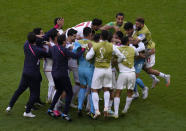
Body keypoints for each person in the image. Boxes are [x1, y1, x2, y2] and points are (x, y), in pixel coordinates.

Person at [6, 32, 49, 117]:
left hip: (25, 72)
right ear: (35, 40)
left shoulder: (26, 45)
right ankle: (27, 111)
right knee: (34, 93)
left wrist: (35, 36)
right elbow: (48, 54)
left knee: (19, 90)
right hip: (34, 74)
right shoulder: (38, 50)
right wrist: (49, 44)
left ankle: (9, 106)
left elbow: (29, 37)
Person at [86, 30, 125, 119]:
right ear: (108, 37)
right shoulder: (112, 46)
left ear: (100, 37)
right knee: (106, 89)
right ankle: (106, 108)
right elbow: (121, 57)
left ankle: (96, 111)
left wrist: (92, 59)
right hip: (108, 70)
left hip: (98, 70)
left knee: (94, 89)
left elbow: (88, 57)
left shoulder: (96, 46)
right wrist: (116, 62)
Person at [47, 34, 85, 121]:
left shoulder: (54, 48)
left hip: (54, 73)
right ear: (64, 42)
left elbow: (51, 54)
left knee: (59, 90)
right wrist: (83, 49)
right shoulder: (64, 50)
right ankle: (65, 114)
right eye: (66, 40)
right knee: (69, 92)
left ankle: (50, 109)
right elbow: (76, 56)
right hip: (62, 74)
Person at [134, 17, 170, 88]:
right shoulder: (140, 27)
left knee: (149, 70)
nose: (136, 25)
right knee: (143, 67)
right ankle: (155, 79)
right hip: (146, 49)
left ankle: (166, 76)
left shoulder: (143, 32)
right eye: (136, 24)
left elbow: (136, 41)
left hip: (149, 51)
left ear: (142, 24)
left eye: (137, 24)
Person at [113, 36, 139, 118]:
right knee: (130, 92)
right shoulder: (133, 49)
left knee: (118, 92)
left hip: (122, 74)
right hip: (132, 73)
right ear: (128, 42)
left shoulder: (117, 48)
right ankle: (125, 109)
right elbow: (137, 55)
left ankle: (116, 113)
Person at [72, 27, 95, 117]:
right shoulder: (93, 43)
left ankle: (80, 107)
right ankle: (92, 110)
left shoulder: (78, 42)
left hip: (80, 68)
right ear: (90, 34)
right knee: (93, 90)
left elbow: (74, 54)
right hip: (90, 69)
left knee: (82, 88)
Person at [124, 22, 148, 99]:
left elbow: (142, 47)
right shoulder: (128, 36)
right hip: (133, 58)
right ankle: (136, 93)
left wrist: (133, 50)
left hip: (140, 59)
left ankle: (144, 88)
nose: (126, 32)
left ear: (131, 29)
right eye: (126, 31)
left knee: (134, 77)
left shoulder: (137, 36)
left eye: (127, 30)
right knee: (131, 76)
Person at [43, 29, 59, 103]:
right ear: (54, 37)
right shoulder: (49, 45)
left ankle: (49, 98)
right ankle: (53, 101)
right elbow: (51, 55)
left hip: (50, 66)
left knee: (51, 82)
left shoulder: (51, 44)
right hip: (48, 66)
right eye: (57, 36)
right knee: (53, 83)